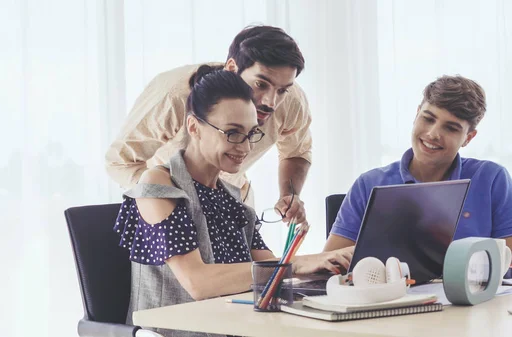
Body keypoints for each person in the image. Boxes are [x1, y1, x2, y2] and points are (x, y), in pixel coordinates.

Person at [114, 67, 353, 336]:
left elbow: (269, 272)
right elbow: (198, 283)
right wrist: (298, 263)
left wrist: (326, 263)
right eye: (232, 133)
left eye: (251, 134)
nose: (245, 147)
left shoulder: (231, 197)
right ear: (194, 127)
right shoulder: (158, 186)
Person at [107, 25, 312, 224]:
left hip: (234, 204)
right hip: (170, 209)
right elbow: (120, 162)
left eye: (282, 90)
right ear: (232, 68)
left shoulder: (291, 101)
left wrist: (289, 195)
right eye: (260, 84)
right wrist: (166, 199)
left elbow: (296, 152)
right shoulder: (173, 97)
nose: (271, 102)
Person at [323, 75, 512, 260]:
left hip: (471, 290)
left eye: (451, 128)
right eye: (428, 119)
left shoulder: (491, 179)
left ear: (468, 138)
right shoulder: (369, 183)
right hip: (392, 290)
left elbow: (509, 263)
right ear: (416, 114)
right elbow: (329, 265)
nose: (433, 134)